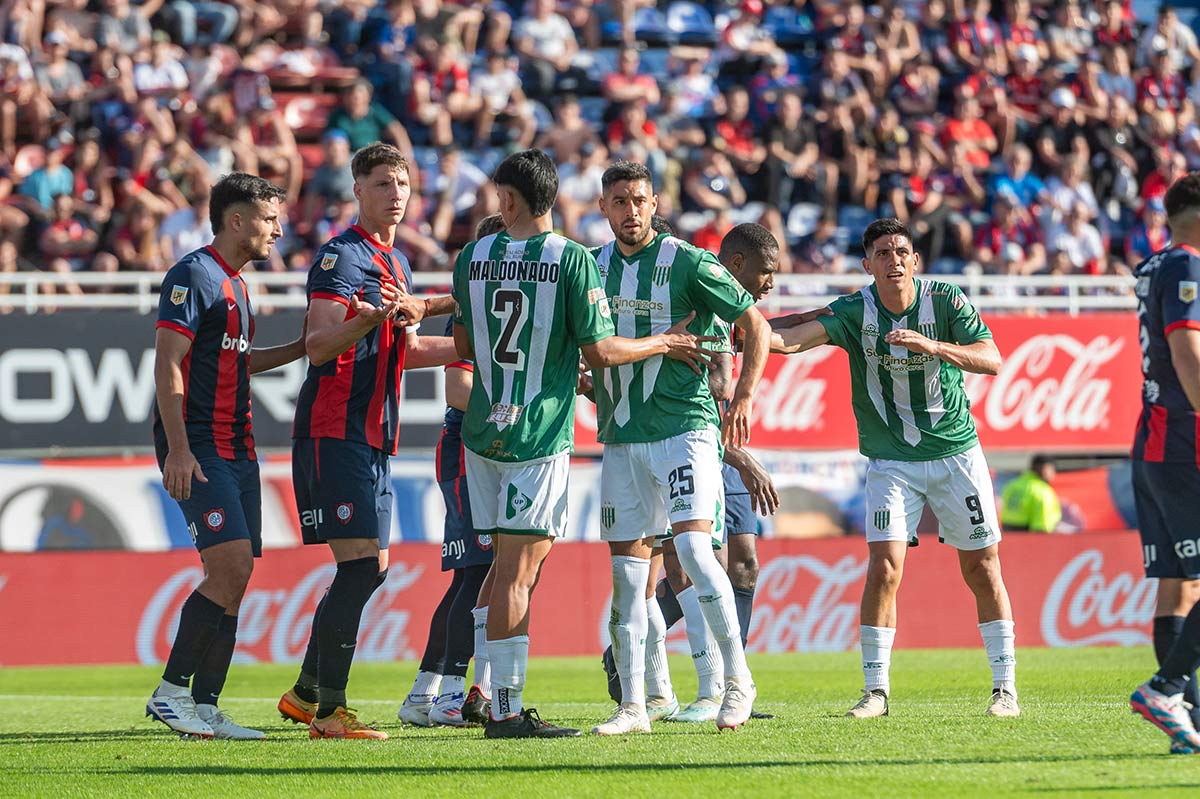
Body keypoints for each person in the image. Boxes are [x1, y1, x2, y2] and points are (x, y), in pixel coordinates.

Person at [450, 148, 710, 739]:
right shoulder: (569, 258)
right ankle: (506, 712)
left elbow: (464, 342)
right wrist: (665, 342)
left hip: (482, 431)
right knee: (521, 570)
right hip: (537, 434)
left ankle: (484, 694)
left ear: (508, 200)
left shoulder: (474, 255)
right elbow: (601, 351)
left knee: (503, 568)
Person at [772, 218, 1019, 719]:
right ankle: (876, 692)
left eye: (901, 251)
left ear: (915, 260)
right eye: (882, 253)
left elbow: (991, 359)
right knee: (884, 568)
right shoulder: (854, 310)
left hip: (955, 454)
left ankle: (1005, 689)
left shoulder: (946, 301)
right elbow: (794, 339)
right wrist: (747, 329)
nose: (894, 260)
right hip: (890, 463)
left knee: (982, 567)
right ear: (868, 265)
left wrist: (935, 347)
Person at [277, 142, 456, 740]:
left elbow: (403, 352)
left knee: (374, 568)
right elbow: (319, 345)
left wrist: (478, 347)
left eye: (403, 183)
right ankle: (329, 713)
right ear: (357, 189)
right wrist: (366, 319)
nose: (396, 193)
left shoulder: (398, 264)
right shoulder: (341, 258)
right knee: (358, 569)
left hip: (375, 434)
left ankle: (305, 695)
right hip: (337, 429)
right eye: (382, 183)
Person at [589, 161, 771, 735]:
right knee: (626, 576)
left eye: (639, 200)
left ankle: (736, 684)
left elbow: (756, 325)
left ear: (654, 203)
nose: (630, 210)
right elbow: (579, 345)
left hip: (685, 429)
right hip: (621, 436)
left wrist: (741, 399)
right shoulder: (590, 269)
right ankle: (635, 709)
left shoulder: (686, 260)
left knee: (693, 553)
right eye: (619, 201)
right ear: (604, 208)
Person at [147, 172, 304, 740]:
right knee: (230, 567)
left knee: (238, 576)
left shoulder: (238, 285)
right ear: (235, 220)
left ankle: (206, 705)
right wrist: (180, 450)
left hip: (239, 445)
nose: (278, 230)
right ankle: (170, 694)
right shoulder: (194, 273)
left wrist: (299, 348)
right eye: (269, 219)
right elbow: (168, 364)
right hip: (200, 442)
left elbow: (237, 362)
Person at [397, 213, 506, 729]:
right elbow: (458, 390)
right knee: (479, 573)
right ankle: (449, 694)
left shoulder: (503, 310)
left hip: (477, 448)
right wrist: (511, 414)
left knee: (471, 575)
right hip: (466, 445)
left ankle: (427, 692)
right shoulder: (473, 311)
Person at [1128, 172, 1200, 754]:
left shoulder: (1154, 265)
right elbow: (1186, 352)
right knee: (1182, 586)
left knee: (1176, 586)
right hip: (1185, 439)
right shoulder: (1185, 265)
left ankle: (1188, 725)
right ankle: (1167, 687)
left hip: (1154, 440)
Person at [1000, 455, 1062, 533]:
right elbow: (1042, 525)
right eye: (1052, 469)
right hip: (1030, 536)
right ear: (1045, 469)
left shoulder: (1011, 485)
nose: (1054, 474)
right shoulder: (1042, 490)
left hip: (1008, 532)